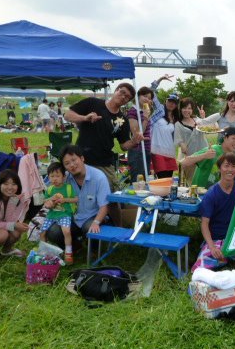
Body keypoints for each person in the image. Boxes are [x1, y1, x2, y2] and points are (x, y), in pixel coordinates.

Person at [65, 82, 144, 225]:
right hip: (81, 160)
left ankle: (118, 228)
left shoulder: (122, 120)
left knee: (111, 198)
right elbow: (67, 115)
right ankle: (74, 225)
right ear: (116, 90)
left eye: (127, 97)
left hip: (104, 163)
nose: (124, 97)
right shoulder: (93, 103)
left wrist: (134, 141)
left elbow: (124, 146)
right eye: (122, 92)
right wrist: (85, 118)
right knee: (77, 194)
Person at [44, 145, 111, 249]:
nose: (72, 165)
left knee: (90, 228)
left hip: (93, 216)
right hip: (71, 217)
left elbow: (105, 206)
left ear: (82, 158)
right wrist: (50, 202)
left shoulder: (99, 177)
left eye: (74, 160)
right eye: (67, 163)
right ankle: (75, 247)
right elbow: (50, 193)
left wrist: (96, 222)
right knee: (53, 231)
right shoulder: (64, 178)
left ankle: (94, 249)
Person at [191, 153, 235, 272]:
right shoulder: (211, 194)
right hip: (216, 239)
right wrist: (212, 246)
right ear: (219, 168)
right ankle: (227, 260)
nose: (230, 170)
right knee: (199, 269)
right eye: (226, 166)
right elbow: (204, 224)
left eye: (234, 166)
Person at [40, 162, 78, 265]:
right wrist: (49, 202)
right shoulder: (50, 189)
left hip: (64, 214)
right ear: (48, 177)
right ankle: (44, 252)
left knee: (66, 231)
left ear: (64, 177)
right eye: (52, 176)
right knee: (42, 232)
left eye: (57, 176)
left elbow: (76, 199)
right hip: (52, 214)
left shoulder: (68, 188)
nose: (54, 179)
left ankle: (68, 253)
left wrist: (64, 200)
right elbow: (45, 201)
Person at [200, 91, 235, 159]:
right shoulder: (220, 115)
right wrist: (200, 118)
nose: (234, 104)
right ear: (227, 102)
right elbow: (203, 122)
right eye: (232, 101)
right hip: (220, 152)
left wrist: (229, 130)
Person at [174, 97, 208, 181]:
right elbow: (178, 138)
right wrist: (182, 144)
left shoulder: (197, 120)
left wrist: (203, 118)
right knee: (189, 180)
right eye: (184, 108)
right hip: (189, 155)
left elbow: (207, 129)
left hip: (202, 152)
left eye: (189, 108)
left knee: (202, 179)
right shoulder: (178, 124)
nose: (187, 110)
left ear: (192, 110)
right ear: (180, 109)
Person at [127, 85, 155, 182]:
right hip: (137, 150)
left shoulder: (145, 111)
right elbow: (138, 134)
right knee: (138, 181)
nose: (147, 99)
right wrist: (146, 118)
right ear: (138, 96)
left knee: (145, 180)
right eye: (145, 96)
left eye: (149, 98)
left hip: (146, 149)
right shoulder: (133, 111)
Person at [151, 92, 180, 178]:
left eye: (174, 102)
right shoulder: (159, 110)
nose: (171, 104)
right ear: (165, 101)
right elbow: (152, 94)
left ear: (176, 105)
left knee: (168, 179)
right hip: (157, 150)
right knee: (161, 177)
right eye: (170, 101)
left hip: (169, 151)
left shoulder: (176, 118)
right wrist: (157, 83)